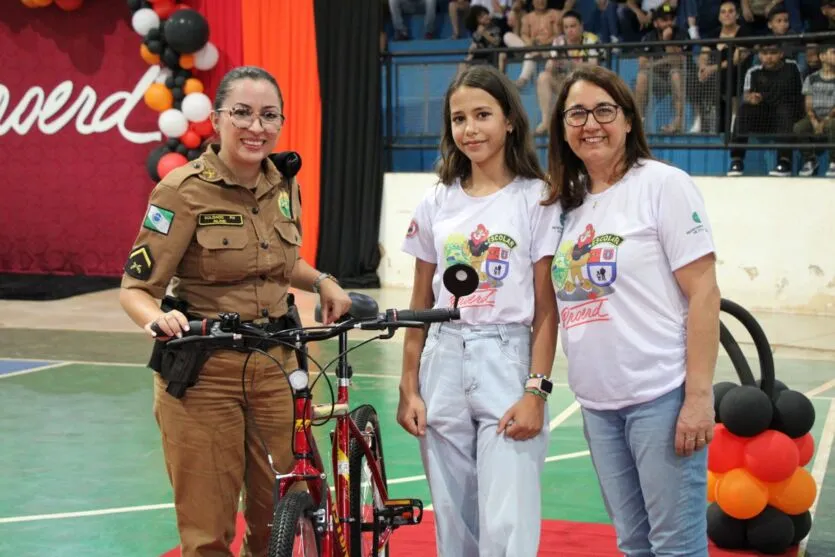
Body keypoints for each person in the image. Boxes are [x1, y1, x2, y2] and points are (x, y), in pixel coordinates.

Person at [119, 65, 352, 557]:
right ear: (219, 118)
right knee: (207, 533)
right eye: (242, 113)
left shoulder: (284, 185)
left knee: (282, 518)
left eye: (269, 116)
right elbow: (136, 288)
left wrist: (322, 280)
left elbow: (280, 263)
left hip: (277, 368)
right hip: (205, 376)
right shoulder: (180, 191)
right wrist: (154, 318)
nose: (256, 127)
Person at [546, 65, 720, 556]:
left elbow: (705, 292)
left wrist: (698, 398)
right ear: (562, 128)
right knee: (633, 544)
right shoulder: (568, 207)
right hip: (598, 406)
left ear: (627, 120)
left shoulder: (664, 185)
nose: (590, 123)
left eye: (604, 110)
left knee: (675, 547)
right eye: (576, 113)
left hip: (660, 397)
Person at [396, 64, 562, 556]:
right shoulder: (435, 201)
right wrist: (410, 385)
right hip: (442, 359)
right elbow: (420, 301)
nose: (469, 129)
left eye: (482, 115)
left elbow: (546, 309)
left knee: (507, 520)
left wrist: (536, 389)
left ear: (511, 120)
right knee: (452, 516)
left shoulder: (538, 199)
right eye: (458, 118)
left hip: (506, 358)